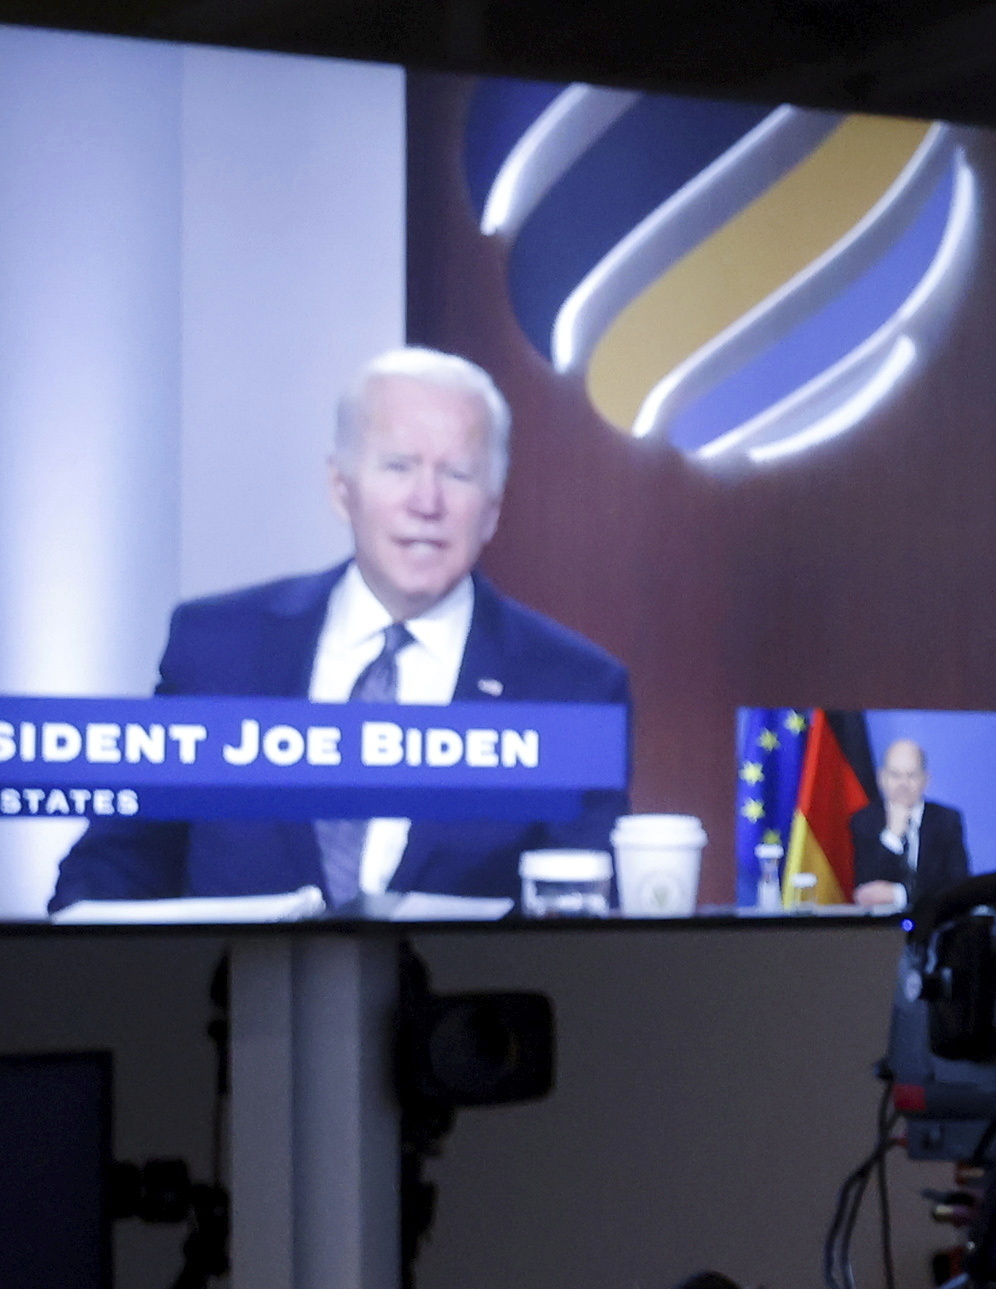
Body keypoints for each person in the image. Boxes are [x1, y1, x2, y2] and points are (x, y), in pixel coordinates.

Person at [48, 346, 631, 911]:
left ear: (493, 507)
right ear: (340, 488)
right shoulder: (216, 650)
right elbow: (108, 873)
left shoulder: (573, 688)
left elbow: (580, 929)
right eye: (398, 466)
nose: (426, 502)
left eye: (456, 473)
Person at [848, 731, 971, 919]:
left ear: (925, 780)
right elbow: (866, 889)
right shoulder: (863, 821)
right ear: (881, 779)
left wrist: (900, 895)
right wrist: (892, 837)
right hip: (878, 930)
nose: (903, 784)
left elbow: (958, 884)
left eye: (911, 775)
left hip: (933, 922)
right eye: (895, 775)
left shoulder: (946, 821)